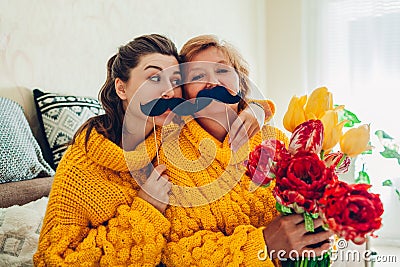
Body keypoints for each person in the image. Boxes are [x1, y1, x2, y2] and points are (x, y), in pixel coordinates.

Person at [34, 34, 268, 266]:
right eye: (154, 78)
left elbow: (222, 100)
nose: (168, 92)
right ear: (121, 88)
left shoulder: (175, 127)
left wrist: (257, 109)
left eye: (175, 81)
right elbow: (51, 260)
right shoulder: (84, 165)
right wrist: (145, 209)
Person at [156, 35, 333, 266]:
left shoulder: (276, 140)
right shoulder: (170, 155)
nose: (213, 83)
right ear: (184, 93)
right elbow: (176, 252)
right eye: (198, 76)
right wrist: (263, 245)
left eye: (222, 71)